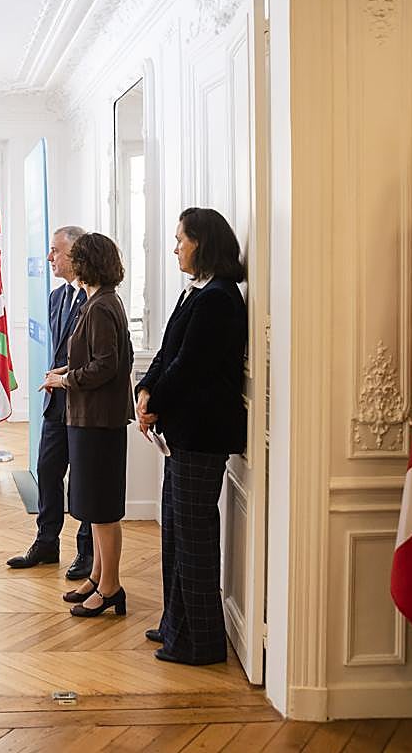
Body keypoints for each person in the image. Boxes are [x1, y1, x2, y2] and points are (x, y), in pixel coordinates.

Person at [135, 207, 247, 665]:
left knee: (193, 540)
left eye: (180, 239)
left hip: (202, 435)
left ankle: (200, 642)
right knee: (176, 536)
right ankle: (175, 626)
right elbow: (168, 353)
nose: (175, 248)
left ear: (201, 242)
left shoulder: (219, 298)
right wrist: (145, 390)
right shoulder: (198, 292)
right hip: (184, 433)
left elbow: (190, 367)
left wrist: (154, 402)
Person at [46, 233, 134, 616]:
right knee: (94, 506)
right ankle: (98, 577)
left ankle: (111, 587)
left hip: (99, 420)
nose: (71, 264)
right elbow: (95, 357)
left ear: (88, 263)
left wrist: (67, 380)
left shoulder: (100, 306)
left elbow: (106, 365)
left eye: (76, 258)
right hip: (90, 418)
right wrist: (63, 371)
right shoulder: (100, 301)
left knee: (103, 509)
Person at [7, 226, 94, 579]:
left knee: (84, 479)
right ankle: (46, 542)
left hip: (86, 403)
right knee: (47, 469)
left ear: (75, 253)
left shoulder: (96, 298)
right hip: (57, 400)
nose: (49, 257)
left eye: (55, 250)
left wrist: (66, 377)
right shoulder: (57, 296)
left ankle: (87, 551)